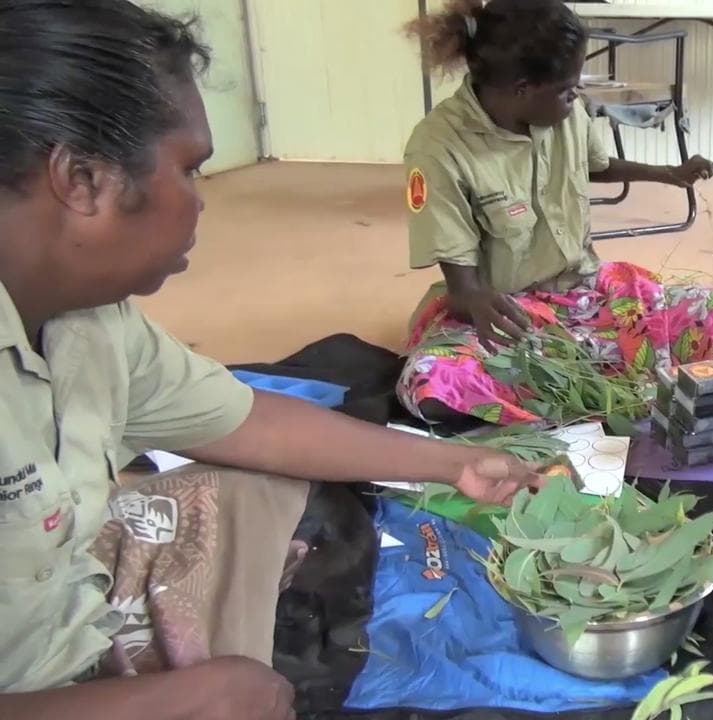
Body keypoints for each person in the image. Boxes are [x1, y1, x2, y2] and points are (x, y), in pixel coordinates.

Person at [0, 2, 541, 718]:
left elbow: (248, 422)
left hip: (57, 621)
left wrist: (450, 464)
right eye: (189, 170)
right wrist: (167, 703)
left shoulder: (92, 320)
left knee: (259, 489)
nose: (201, 203)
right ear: (84, 180)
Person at [397, 0, 713, 425]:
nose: (575, 98)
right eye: (566, 89)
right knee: (432, 386)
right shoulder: (439, 147)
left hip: (589, 293)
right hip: (512, 312)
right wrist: (483, 307)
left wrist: (671, 173)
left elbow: (599, 165)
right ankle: (605, 371)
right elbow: (464, 292)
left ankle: (589, 373)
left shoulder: (563, 114)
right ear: (521, 88)